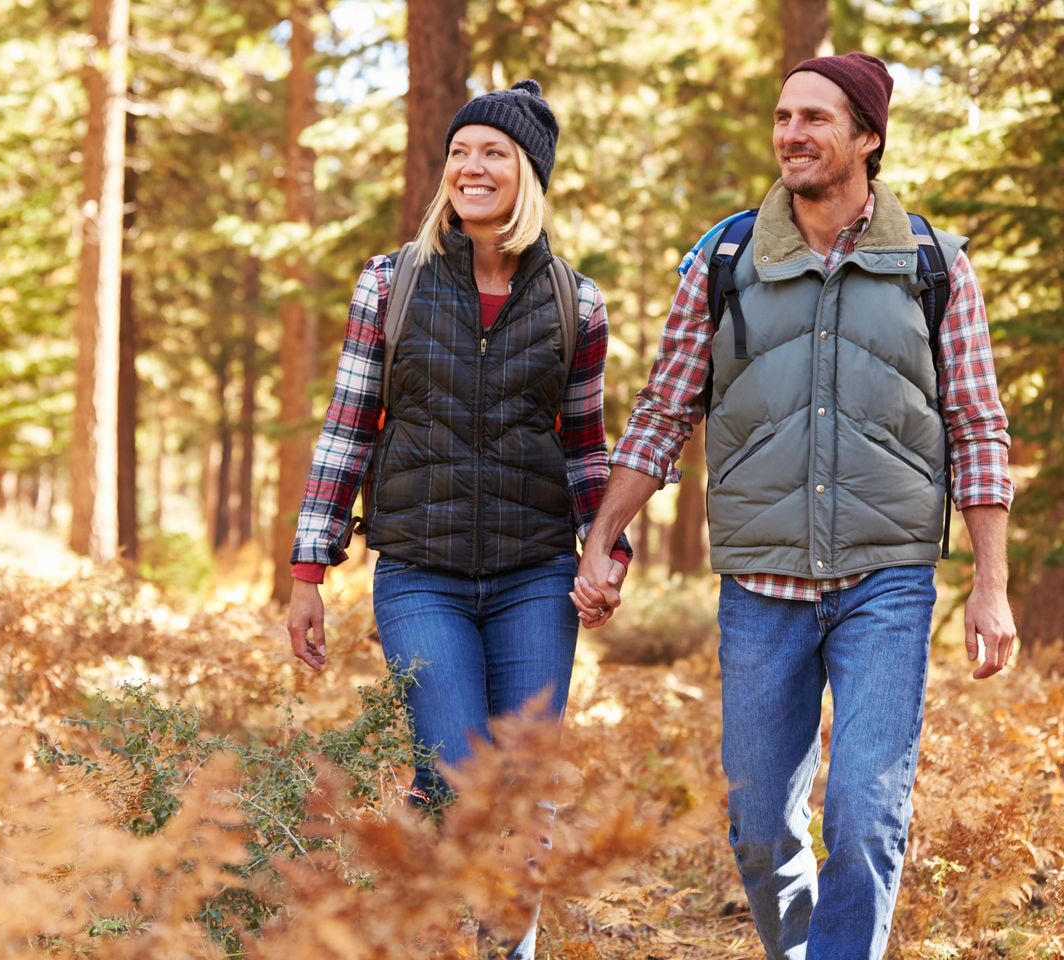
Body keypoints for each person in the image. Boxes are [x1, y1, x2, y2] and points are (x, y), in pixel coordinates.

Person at [573, 52, 1016, 959]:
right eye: (783, 117)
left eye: (815, 118)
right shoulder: (726, 256)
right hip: (761, 586)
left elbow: (976, 424)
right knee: (760, 827)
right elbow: (664, 408)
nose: (792, 135)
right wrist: (603, 540)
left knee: (863, 815)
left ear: (867, 137)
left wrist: (991, 584)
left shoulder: (933, 263)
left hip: (885, 585)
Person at [286, 79, 630, 957]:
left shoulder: (575, 304)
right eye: (461, 154)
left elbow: (587, 448)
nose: (472, 168)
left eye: (494, 155)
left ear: (528, 176)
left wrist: (607, 551)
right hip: (420, 574)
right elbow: (348, 425)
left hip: (535, 578)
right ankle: (414, 905)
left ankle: (501, 946)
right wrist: (308, 571)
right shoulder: (389, 285)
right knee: (452, 776)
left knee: (522, 792)